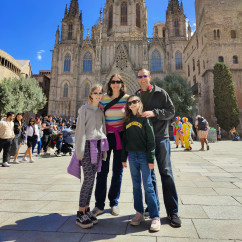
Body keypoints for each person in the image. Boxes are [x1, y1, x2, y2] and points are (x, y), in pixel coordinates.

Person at [136, 68, 181, 228]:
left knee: (166, 173)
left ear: (150, 77)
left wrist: (154, 113)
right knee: (149, 176)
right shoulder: (137, 95)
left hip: (161, 138)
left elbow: (171, 111)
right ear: (138, 78)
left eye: (145, 76)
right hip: (145, 141)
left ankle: (173, 212)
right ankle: (153, 206)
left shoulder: (161, 93)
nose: (142, 78)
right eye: (140, 76)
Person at [121, 95, 160, 232]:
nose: (132, 104)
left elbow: (151, 140)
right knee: (136, 186)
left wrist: (151, 159)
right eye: (130, 102)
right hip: (132, 156)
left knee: (148, 185)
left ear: (140, 103)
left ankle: (155, 217)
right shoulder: (127, 120)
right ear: (128, 105)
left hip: (143, 157)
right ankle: (139, 213)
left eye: (135, 101)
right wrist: (123, 158)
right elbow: (124, 141)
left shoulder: (145, 119)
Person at [93, 74, 129, 217]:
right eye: (113, 81)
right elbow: (96, 116)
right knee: (102, 171)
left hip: (120, 138)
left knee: (117, 172)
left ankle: (114, 202)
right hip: (105, 138)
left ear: (122, 83)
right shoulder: (103, 99)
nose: (115, 84)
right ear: (109, 84)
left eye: (118, 82)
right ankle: (99, 205)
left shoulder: (127, 99)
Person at [75, 84, 109, 229]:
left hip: (98, 147)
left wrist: (104, 151)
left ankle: (87, 210)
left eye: (100, 93)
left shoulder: (100, 112)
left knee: (92, 179)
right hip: (87, 146)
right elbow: (80, 131)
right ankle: (80, 213)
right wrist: (80, 152)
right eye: (95, 93)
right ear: (91, 95)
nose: (98, 95)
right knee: (88, 179)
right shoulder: (84, 110)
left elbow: (103, 131)